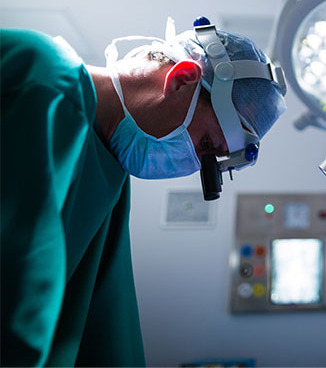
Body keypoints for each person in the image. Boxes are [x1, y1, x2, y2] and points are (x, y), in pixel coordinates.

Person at [0, 18, 286, 366]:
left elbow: (107, 334)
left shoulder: (113, 180)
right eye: (207, 145)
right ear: (182, 79)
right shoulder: (39, 75)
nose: (193, 165)